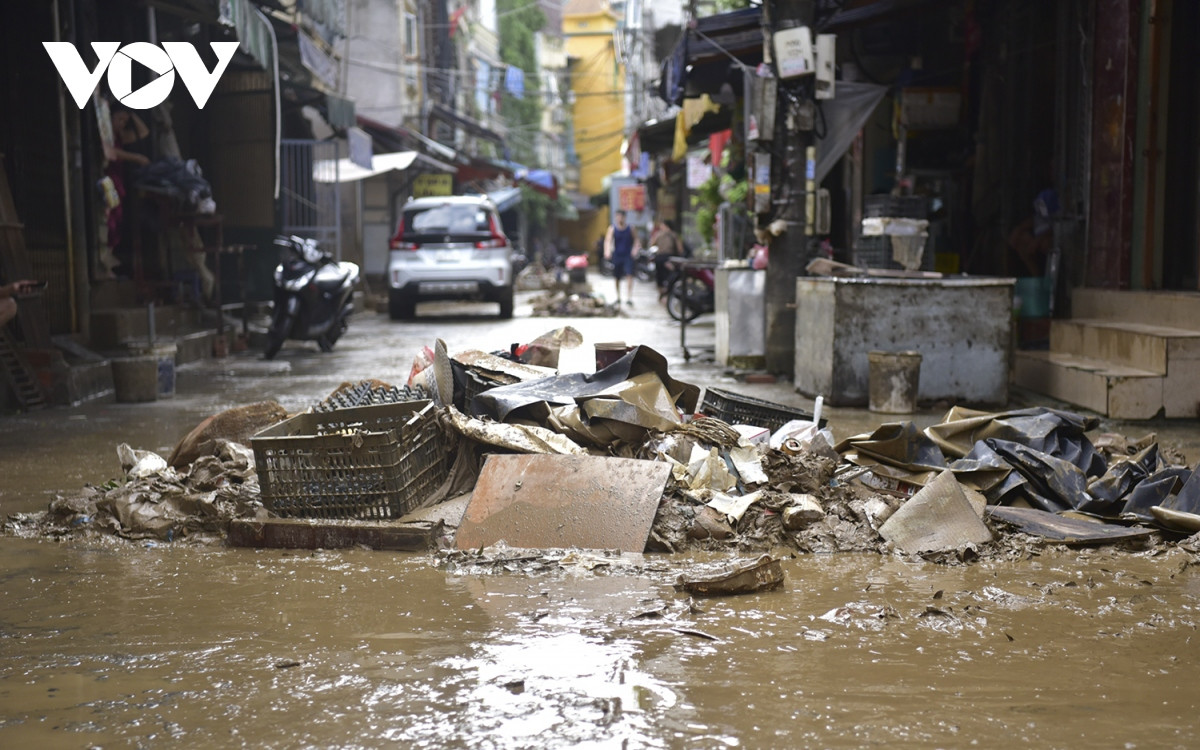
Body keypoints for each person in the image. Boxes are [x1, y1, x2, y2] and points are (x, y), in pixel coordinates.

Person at [603, 209, 640, 306]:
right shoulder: (612, 228)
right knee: (617, 277)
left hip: (628, 255)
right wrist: (607, 251)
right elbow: (608, 240)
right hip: (617, 255)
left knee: (629, 275)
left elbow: (636, 240)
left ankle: (629, 297)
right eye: (617, 216)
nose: (619, 218)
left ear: (624, 217)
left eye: (621, 216)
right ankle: (618, 297)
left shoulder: (631, 228)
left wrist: (635, 250)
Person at [648, 217, 680, 302]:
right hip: (669, 259)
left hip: (662, 258)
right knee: (668, 277)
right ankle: (665, 295)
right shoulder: (673, 235)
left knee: (661, 278)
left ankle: (663, 294)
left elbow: (652, 244)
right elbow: (680, 249)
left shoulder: (660, 234)